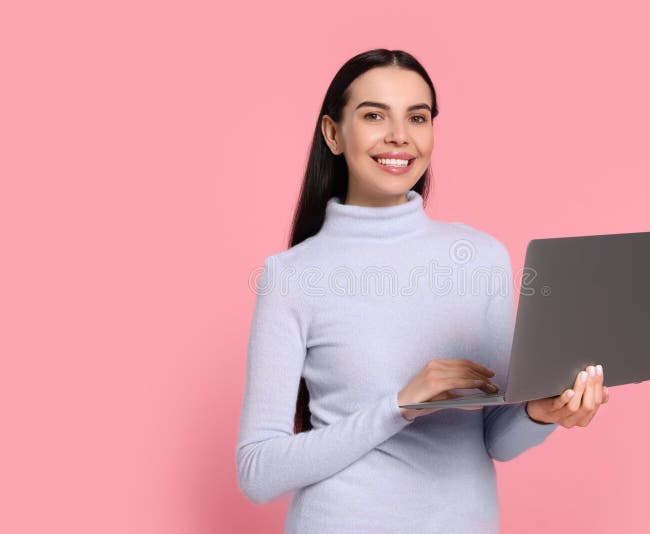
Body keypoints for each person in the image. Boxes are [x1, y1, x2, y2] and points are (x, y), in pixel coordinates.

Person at [235, 48, 609, 534]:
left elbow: (497, 440)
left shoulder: (481, 258)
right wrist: (399, 406)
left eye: (417, 117)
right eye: (374, 115)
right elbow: (257, 472)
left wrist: (541, 414)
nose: (400, 135)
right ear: (333, 133)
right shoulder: (291, 276)